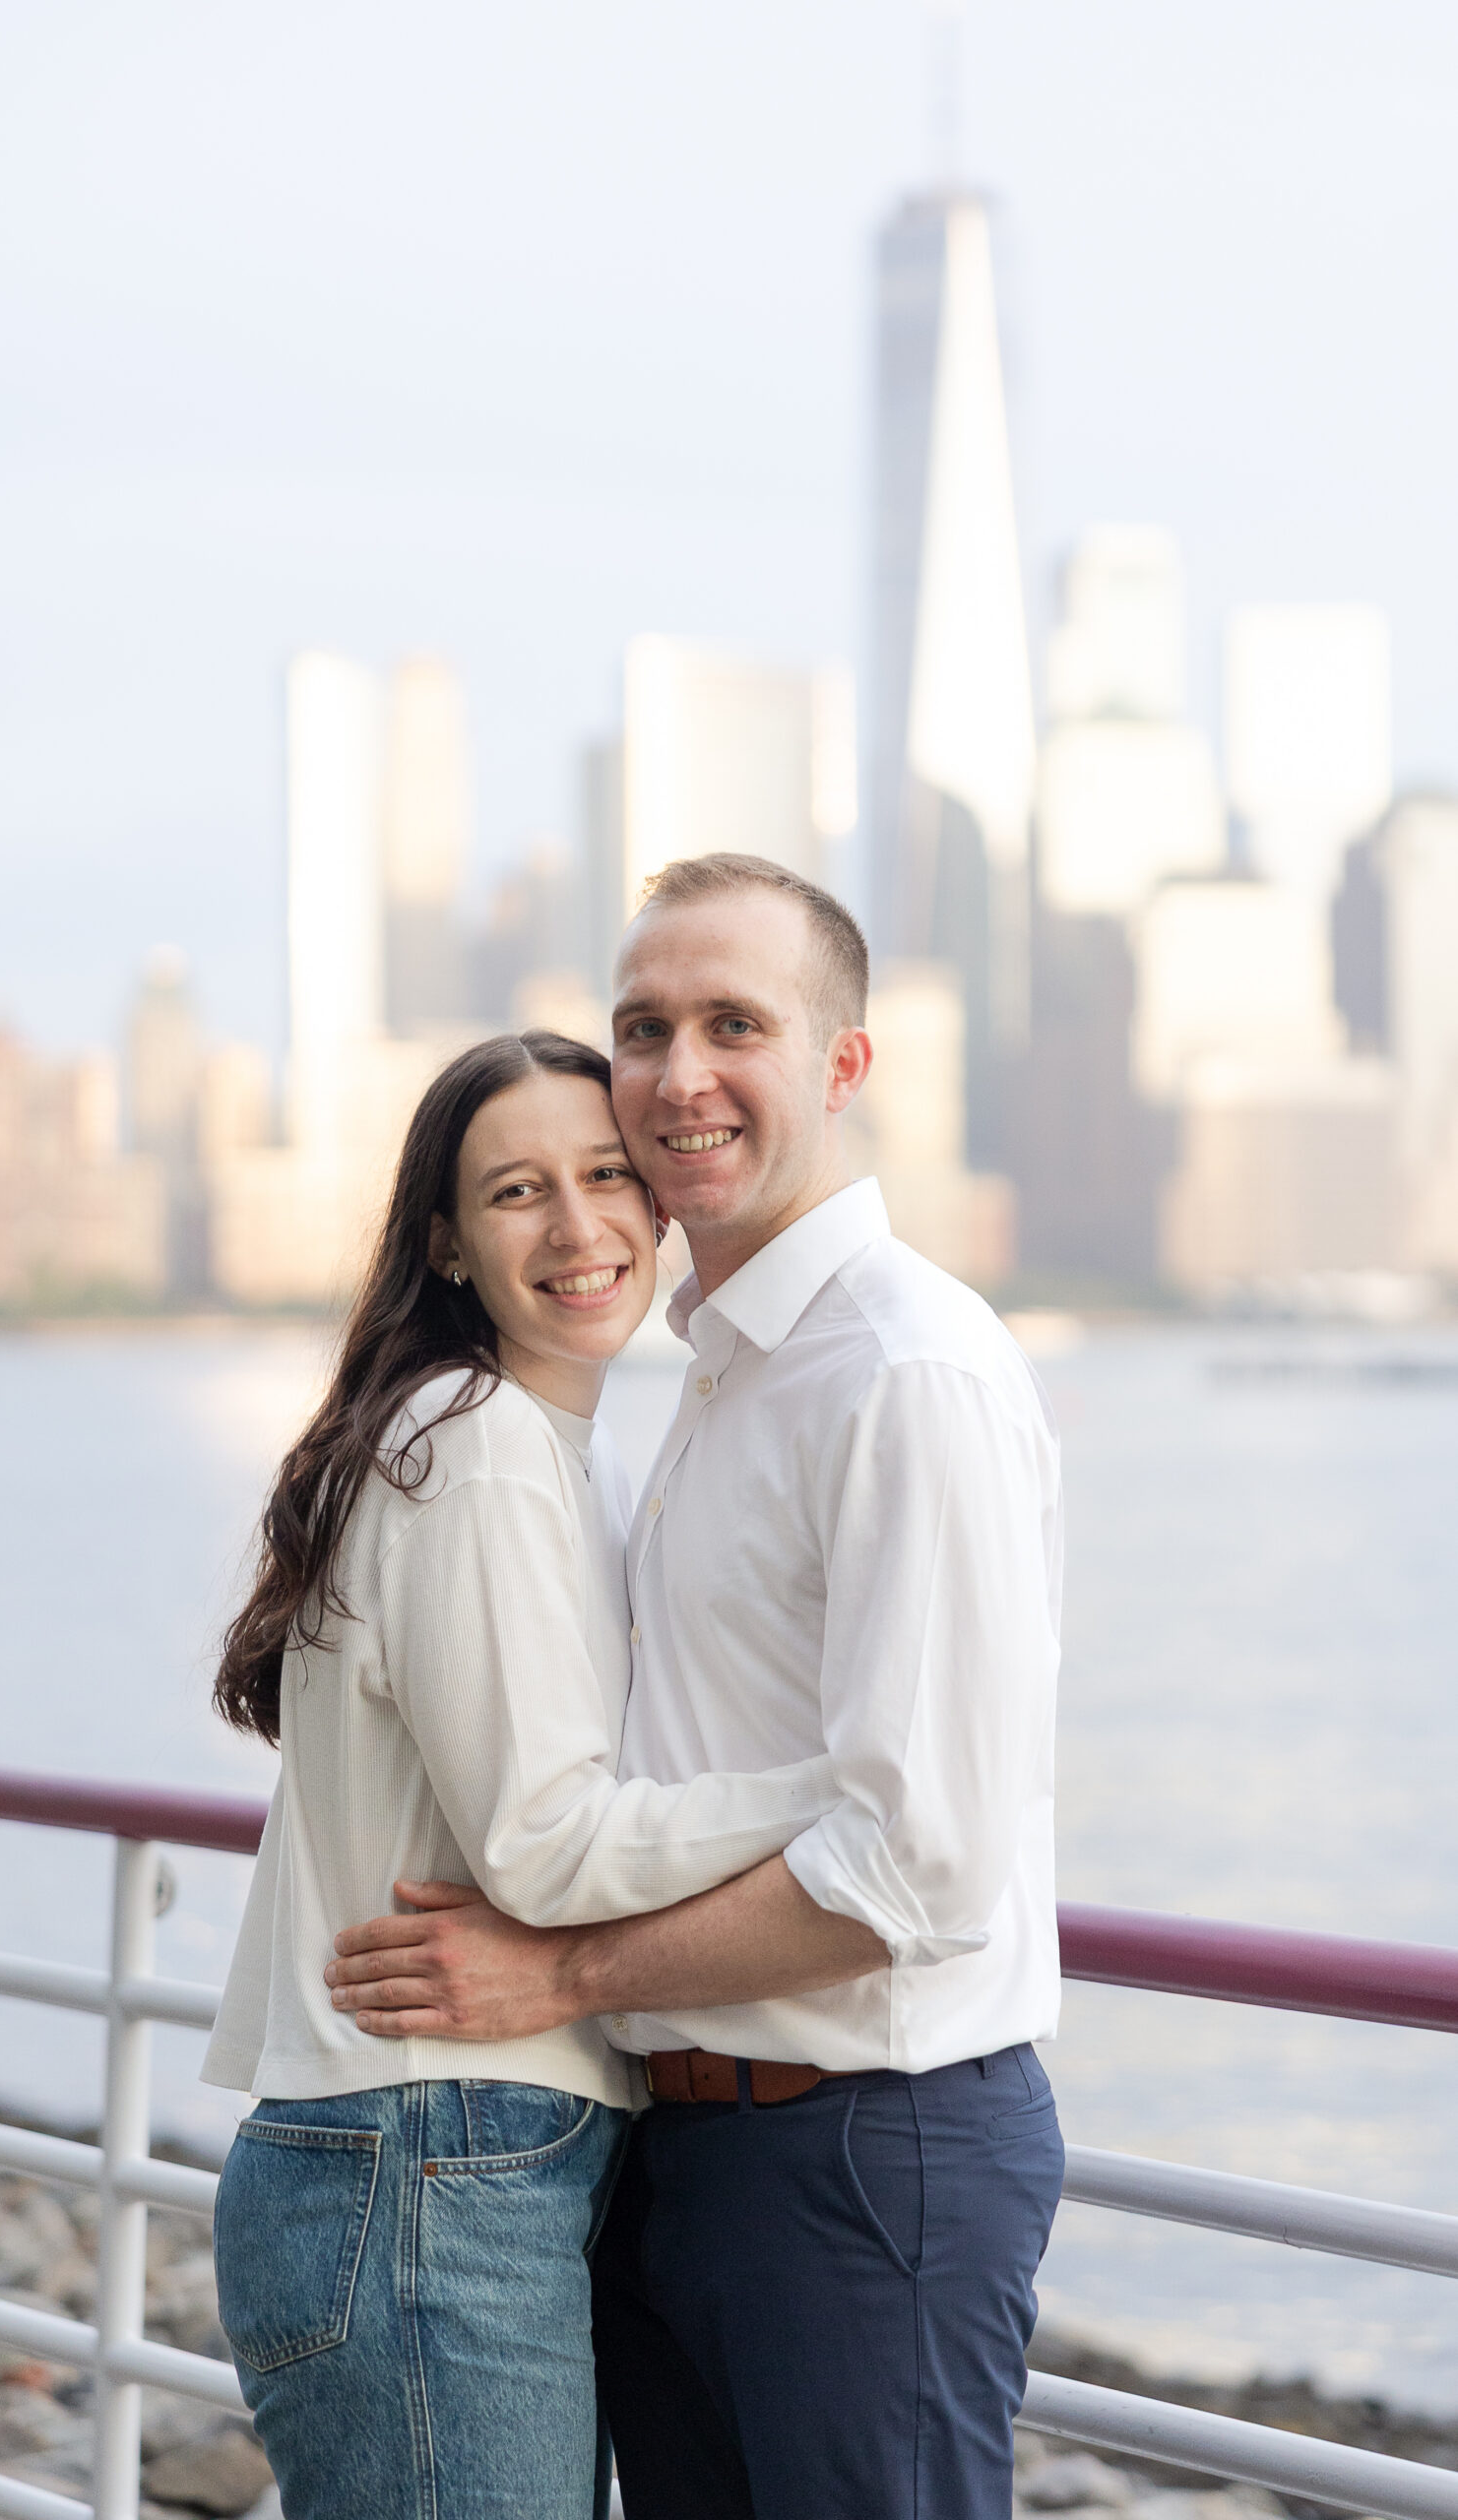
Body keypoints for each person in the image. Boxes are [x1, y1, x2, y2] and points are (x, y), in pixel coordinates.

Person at [325, 855, 1068, 2520]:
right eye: (645, 1026)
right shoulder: (718, 1374)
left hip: (870, 2156)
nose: (680, 1075)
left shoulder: (902, 1372)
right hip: (690, 2155)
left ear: (845, 1065)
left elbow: (915, 1863)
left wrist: (562, 1972)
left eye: (738, 1023)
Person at [201, 1027, 836, 2520]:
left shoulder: (547, 1448)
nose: (579, 1228)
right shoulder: (474, 1444)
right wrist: (843, 1789)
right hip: (430, 2160)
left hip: (437, 2161)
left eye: (608, 1176)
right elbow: (545, 1845)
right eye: (516, 1193)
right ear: (446, 1240)